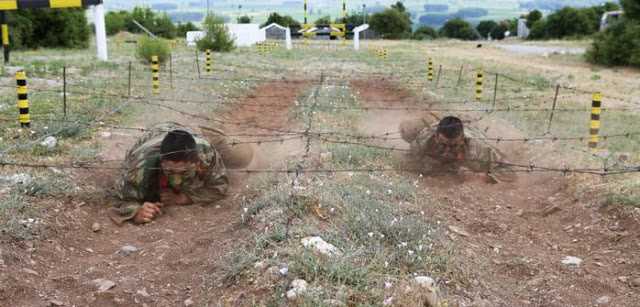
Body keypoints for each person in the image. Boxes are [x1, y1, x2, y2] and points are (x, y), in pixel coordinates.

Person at [109, 122, 253, 224]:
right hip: (157, 133)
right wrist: (135, 212)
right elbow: (118, 196)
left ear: (197, 162)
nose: (176, 181)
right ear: (161, 161)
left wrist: (183, 198)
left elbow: (219, 187)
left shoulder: (205, 151)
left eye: (184, 172)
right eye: (169, 171)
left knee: (243, 158)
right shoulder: (141, 164)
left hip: (193, 132)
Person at [400, 116, 516, 183]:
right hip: (438, 123)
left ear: (462, 140)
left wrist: (479, 177)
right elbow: (408, 163)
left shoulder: (478, 148)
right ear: (435, 137)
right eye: (443, 145)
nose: (447, 150)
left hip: (471, 128)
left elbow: (510, 172)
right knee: (408, 129)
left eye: (454, 146)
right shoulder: (424, 140)